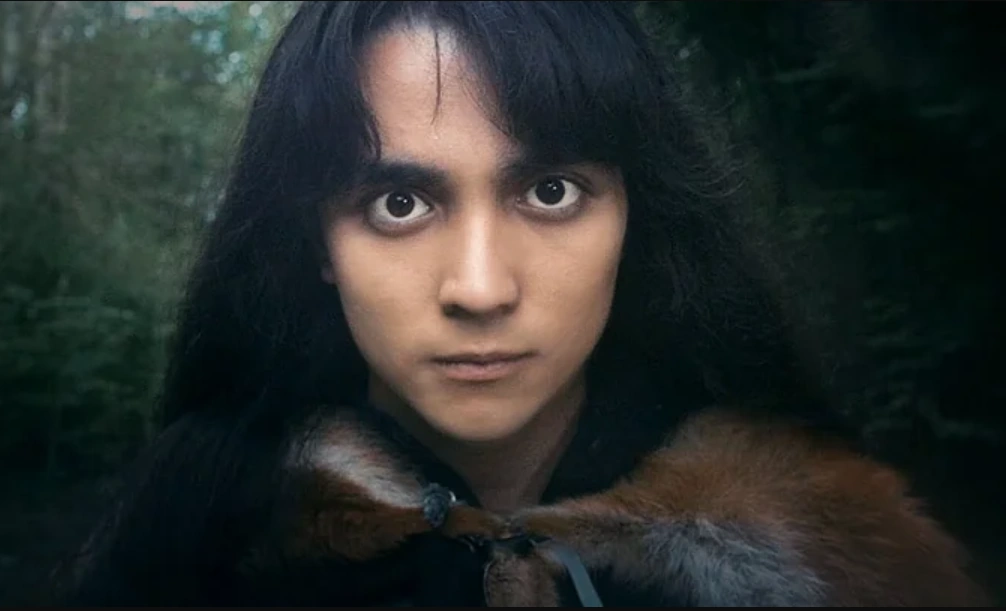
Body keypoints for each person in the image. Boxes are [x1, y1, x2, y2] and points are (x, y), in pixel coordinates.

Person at [54, 1, 990, 606]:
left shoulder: (842, 557)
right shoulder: (190, 532)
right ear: (317, 246)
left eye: (550, 192)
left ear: (637, 219)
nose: (480, 288)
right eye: (399, 203)